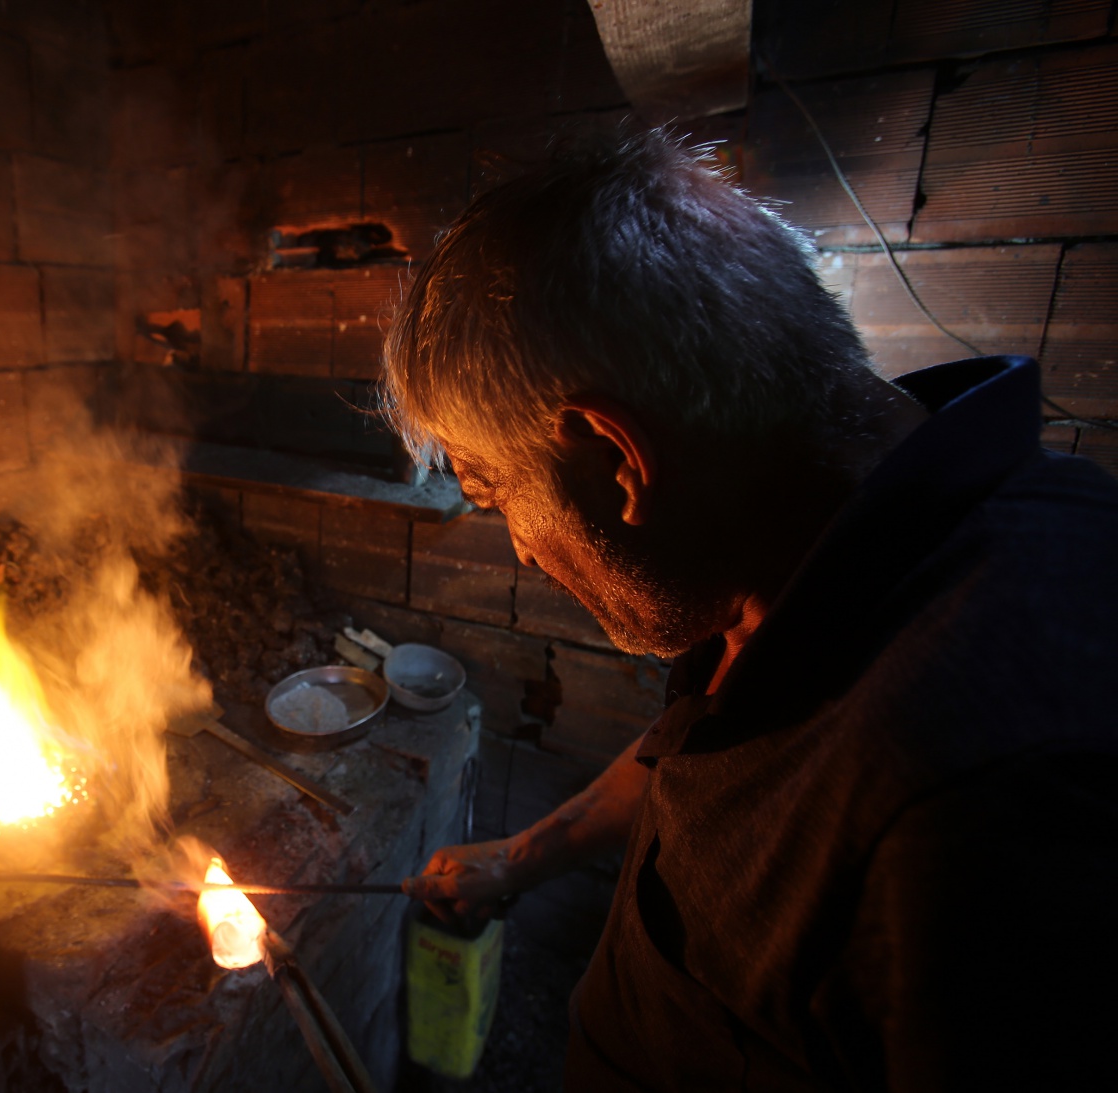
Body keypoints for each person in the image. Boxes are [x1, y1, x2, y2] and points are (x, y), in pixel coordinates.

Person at [386, 127, 1118, 1090]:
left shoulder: (984, 797)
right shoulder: (795, 566)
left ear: (616, 460)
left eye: (494, 496)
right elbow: (714, 763)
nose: (519, 548)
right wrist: (520, 859)